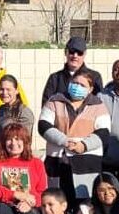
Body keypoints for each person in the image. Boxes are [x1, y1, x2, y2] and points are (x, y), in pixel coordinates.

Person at [39, 70, 110, 200]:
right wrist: (63, 140)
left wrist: (83, 145)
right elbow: (43, 125)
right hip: (58, 160)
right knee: (57, 200)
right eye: (75, 83)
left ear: (90, 89)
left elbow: (104, 132)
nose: (77, 87)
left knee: (85, 202)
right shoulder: (55, 101)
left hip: (86, 161)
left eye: (82, 85)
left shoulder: (98, 105)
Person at [0, 122, 46, 214]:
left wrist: (29, 203)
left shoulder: (36, 163)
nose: (14, 143)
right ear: (3, 142)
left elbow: (42, 193)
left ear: (25, 141)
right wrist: (14, 194)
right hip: (0, 208)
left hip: (29, 209)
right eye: (9, 139)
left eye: (18, 139)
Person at [41, 37, 103, 102]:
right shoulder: (55, 78)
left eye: (79, 53)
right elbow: (46, 105)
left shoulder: (95, 77)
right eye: (72, 52)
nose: (75, 56)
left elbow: (98, 104)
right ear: (65, 52)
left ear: (84, 54)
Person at [0, 73, 36, 140]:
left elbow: (24, 139)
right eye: (1, 89)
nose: (4, 93)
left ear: (16, 91)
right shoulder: (2, 109)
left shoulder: (24, 111)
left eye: (8, 90)